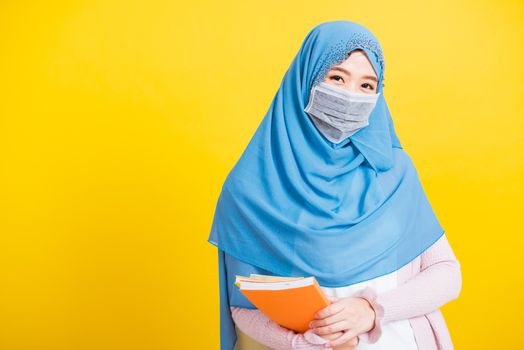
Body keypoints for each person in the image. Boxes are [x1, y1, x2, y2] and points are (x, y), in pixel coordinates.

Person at [207, 20, 462, 350]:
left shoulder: (393, 171)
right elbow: (243, 308)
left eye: (367, 86)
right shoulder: (248, 192)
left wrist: (371, 311)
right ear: (307, 79)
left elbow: (446, 273)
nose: (350, 96)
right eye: (337, 78)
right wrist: (309, 343)